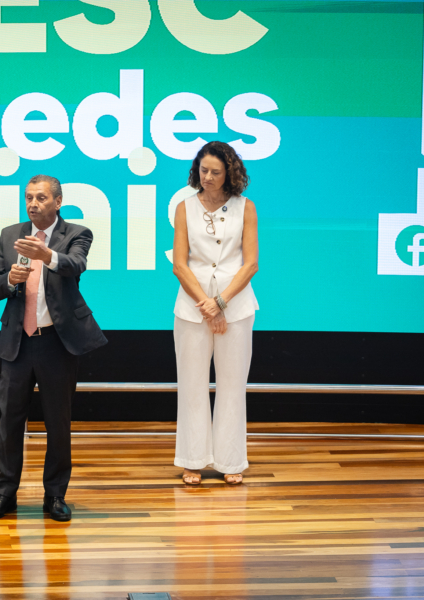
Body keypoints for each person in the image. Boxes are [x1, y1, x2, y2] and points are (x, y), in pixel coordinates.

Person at [0, 175, 108, 522]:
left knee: (58, 422)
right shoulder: (10, 234)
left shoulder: (76, 233)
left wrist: (46, 254)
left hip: (56, 342)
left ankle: (55, 495)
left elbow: (75, 265)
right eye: (29, 197)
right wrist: (9, 280)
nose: (33, 204)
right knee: (10, 422)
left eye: (40, 198)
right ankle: (5, 493)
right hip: (17, 342)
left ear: (57, 202)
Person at [172, 141, 259, 486]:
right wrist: (206, 305)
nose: (207, 177)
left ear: (230, 174)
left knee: (232, 386)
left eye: (215, 172)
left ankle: (230, 459)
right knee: (191, 386)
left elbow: (251, 263)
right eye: (203, 170)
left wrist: (219, 303)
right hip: (191, 308)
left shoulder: (245, 207)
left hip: (235, 308)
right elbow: (180, 264)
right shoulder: (184, 207)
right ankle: (192, 459)